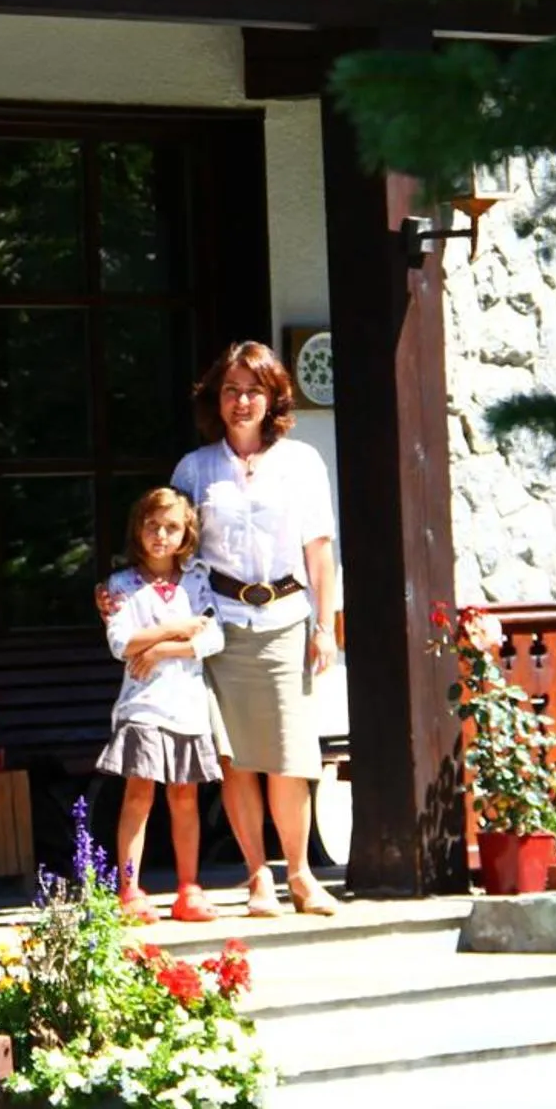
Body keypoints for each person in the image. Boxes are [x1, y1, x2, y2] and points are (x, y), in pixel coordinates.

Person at [173, 340, 341, 918]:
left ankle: (300, 876)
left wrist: (327, 627)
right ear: (215, 400)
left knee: (290, 757)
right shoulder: (195, 470)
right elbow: (172, 552)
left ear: (273, 399)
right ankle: (257, 878)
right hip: (222, 627)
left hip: (286, 620)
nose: (242, 401)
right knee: (236, 759)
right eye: (230, 390)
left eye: (253, 390)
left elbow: (321, 552)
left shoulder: (301, 463)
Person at [97, 486, 224, 923]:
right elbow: (121, 643)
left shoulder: (197, 580)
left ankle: (189, 887)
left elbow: (213, 636)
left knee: (185, 797)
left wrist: (164, 649)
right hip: (142, 706)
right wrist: (178, 628)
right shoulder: (121, 586)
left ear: (186, 534)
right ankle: (129, 889)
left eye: (171, 528)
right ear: (138, 529)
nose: (161, 536)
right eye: (152, 526)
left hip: (187, 707)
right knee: (138, 795)